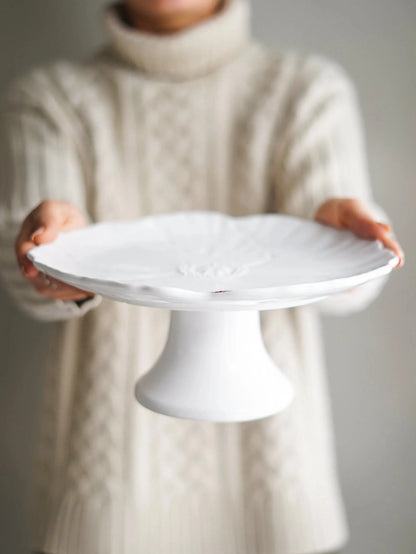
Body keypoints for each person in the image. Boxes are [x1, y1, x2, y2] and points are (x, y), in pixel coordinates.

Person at [0, 1, 404, 553]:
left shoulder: (307, 91)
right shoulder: (49, 98)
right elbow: (21, 265)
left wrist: (344, 239)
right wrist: (49, 257)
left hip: (273, 482)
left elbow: (355, 277)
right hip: (108, 486)